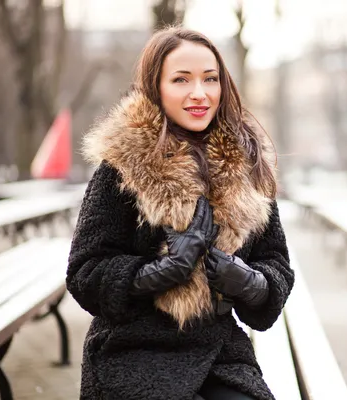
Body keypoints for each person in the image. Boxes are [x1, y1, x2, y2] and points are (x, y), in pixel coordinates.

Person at [66, 26, 295, 400]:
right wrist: (161, 272)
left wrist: (249, 282)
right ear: (156, 88)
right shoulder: (122, 166)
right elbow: (85, 271)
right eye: (181, 80)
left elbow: (277, 263)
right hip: (131, 350)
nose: (199, 93)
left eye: (210, 79)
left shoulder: (246, 166)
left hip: (219, 352)